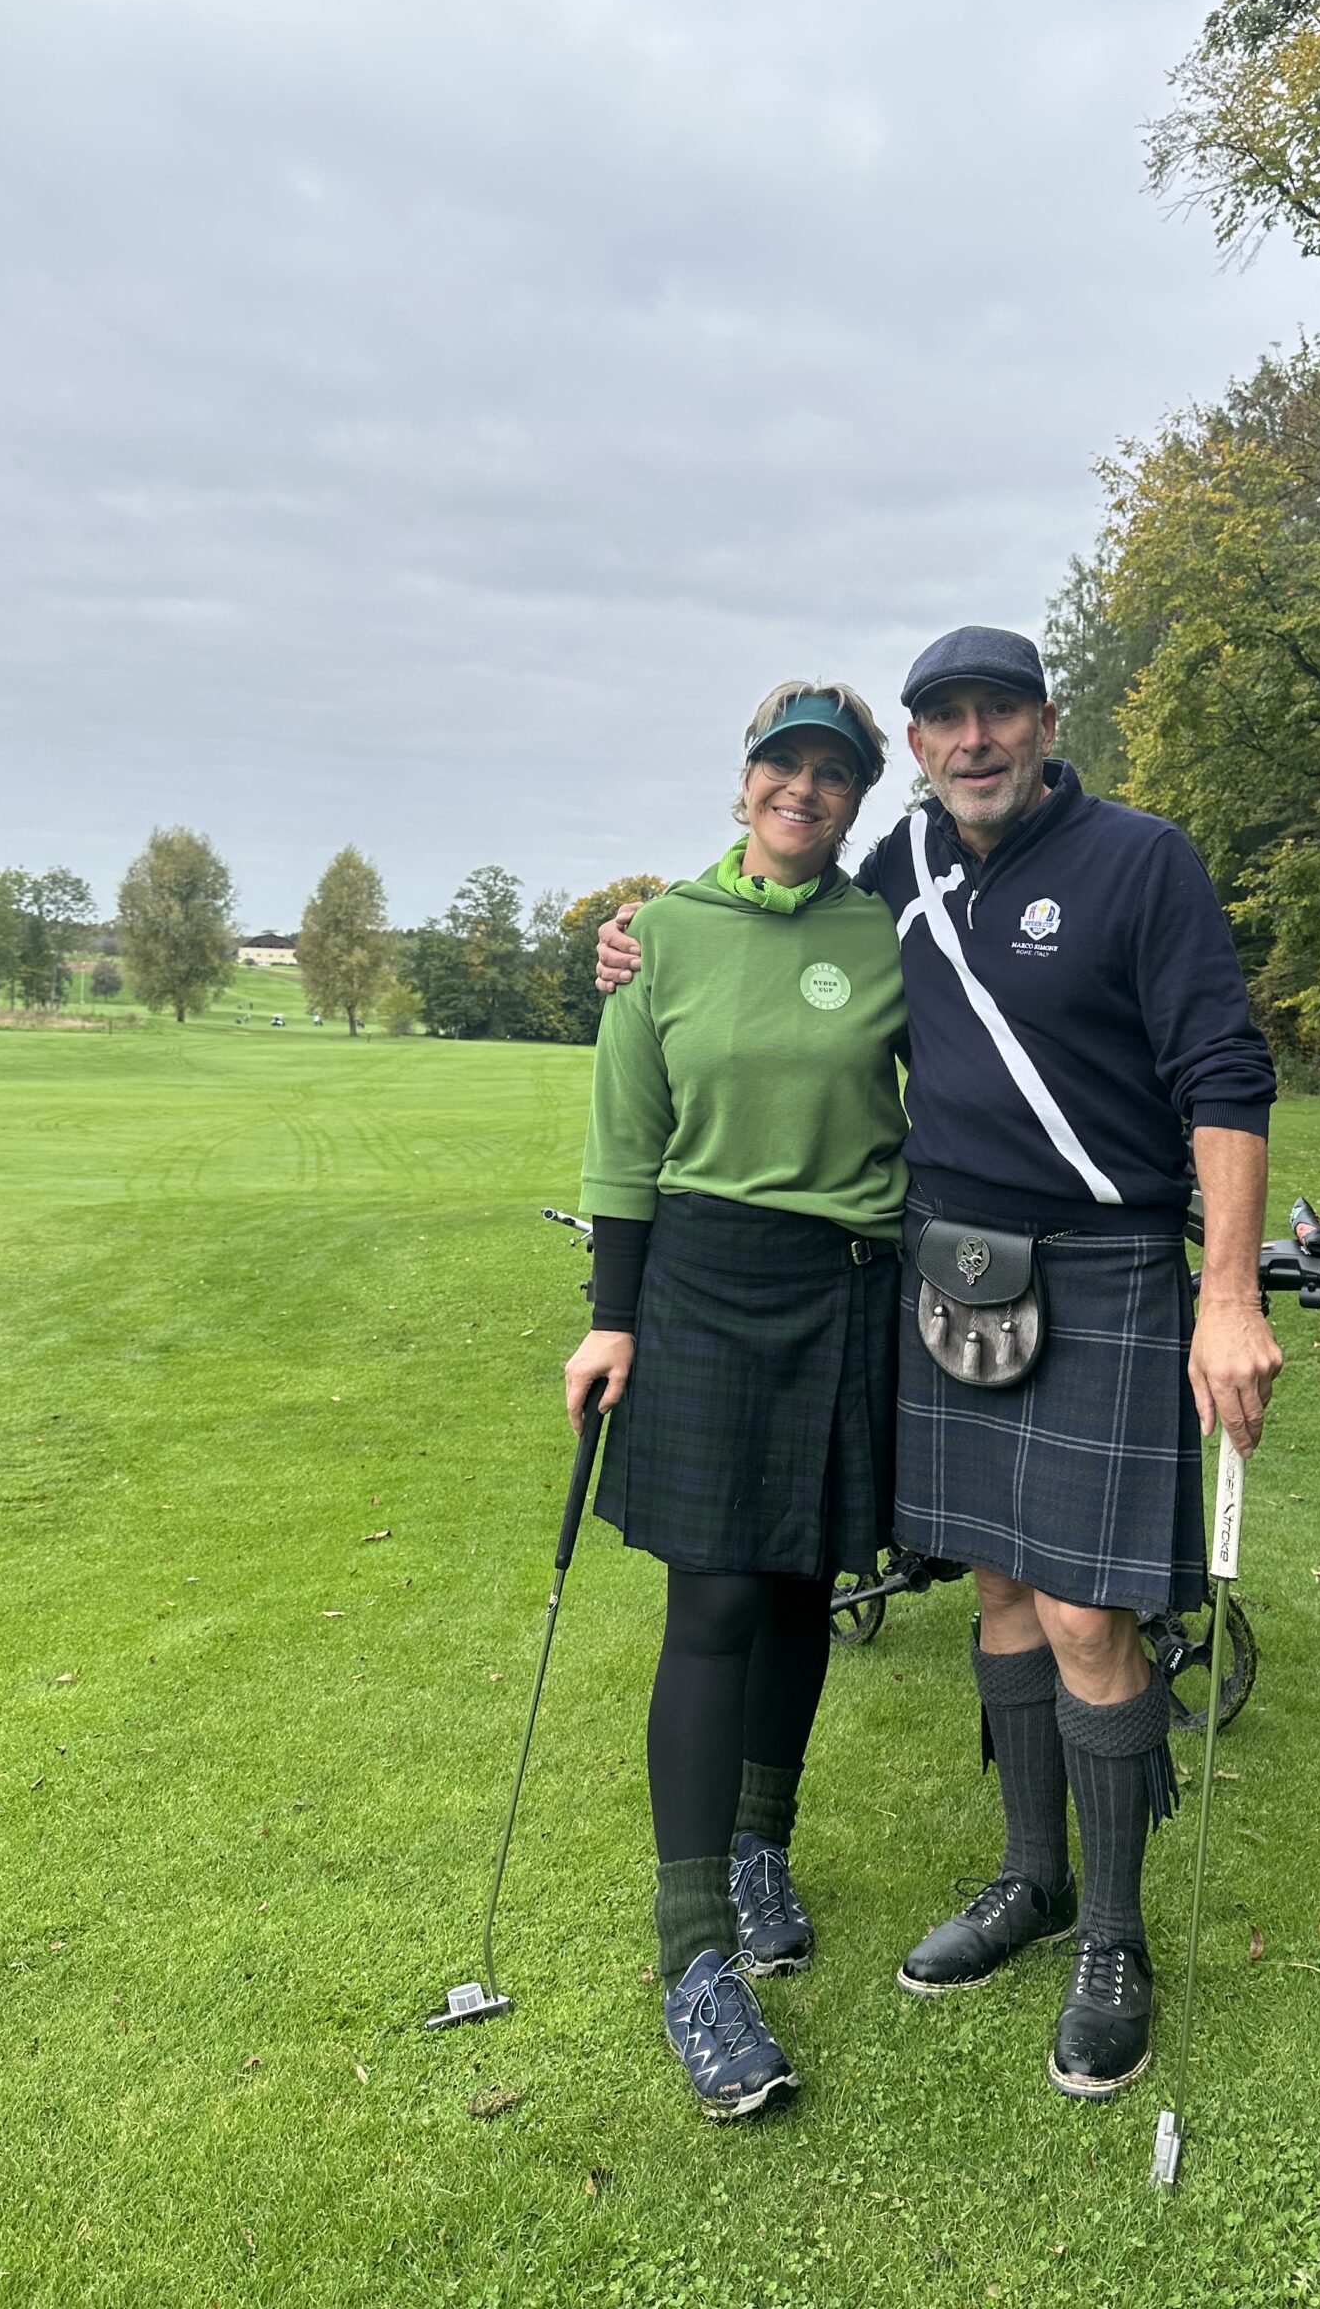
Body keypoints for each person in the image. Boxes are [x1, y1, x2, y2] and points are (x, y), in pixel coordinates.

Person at [598, 627, 1280, 2102]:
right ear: (917, 749)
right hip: (955, 1267)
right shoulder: (900, 873)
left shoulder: (1141, 860)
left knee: (1088, 1612)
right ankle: (1032, 1876)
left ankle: (1114, 1937)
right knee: (1000, 1589)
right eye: (946, 720)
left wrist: (1229, 1292)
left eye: (999, 713)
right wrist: (641, 934)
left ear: (1045, 722)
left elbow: (1225, 1072)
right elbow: (768, 905)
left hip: (1106, 1264)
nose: (974, 740)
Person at [564, 679, 908, 2122]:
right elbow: (624, 1139)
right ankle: (695, 1954)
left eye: (834, 772)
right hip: (702, 1281)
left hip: (847, 1282)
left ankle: (764, 1849)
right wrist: (611, 1320)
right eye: (785, 764)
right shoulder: (660, 935)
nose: (804, 790)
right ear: (746, 777)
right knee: (712, 1602)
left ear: (859, 797)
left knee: (799, 1585)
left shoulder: (889, 931)